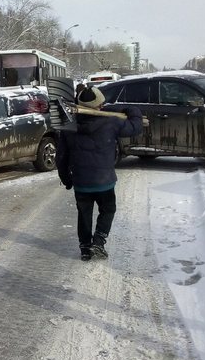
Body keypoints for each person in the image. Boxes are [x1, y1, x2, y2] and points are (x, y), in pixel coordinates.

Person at [56, 86, 144, 261]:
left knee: (84, 214)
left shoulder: (69, 126)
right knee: (108, 209)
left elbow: (61, 156)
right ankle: (99, 241)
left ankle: (85, 248)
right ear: (98, 106)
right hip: (104, 181)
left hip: (81, 181)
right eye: (101, 104)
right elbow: (136, 127)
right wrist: (132, 110)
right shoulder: (111, 122)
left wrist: (66, 178)